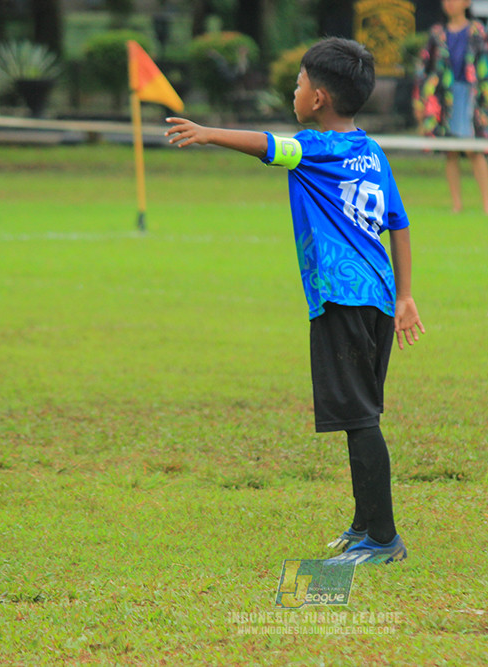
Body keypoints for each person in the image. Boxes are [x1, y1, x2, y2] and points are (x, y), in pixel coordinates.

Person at [165, 38, 425, 565]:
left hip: (342, 300)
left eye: (301, 83)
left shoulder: (316, 148)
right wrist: (406, 296)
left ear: (320, 98)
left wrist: (207, 133)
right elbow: (399, 224)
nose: (295, 90)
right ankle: (363, 523)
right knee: (363, 411)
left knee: (359, 419)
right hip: (375, 299)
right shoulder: (371, 153)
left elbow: (268, 145)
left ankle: (384, 540)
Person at [413, 0, 488, 214]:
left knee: (474, 150)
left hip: (471, 98)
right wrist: (421, 101)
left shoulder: (478, 32)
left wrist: (487, 97)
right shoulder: (437, 34)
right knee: (450, 151)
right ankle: (456, 204)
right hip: (445, 100)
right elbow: (424, 69)